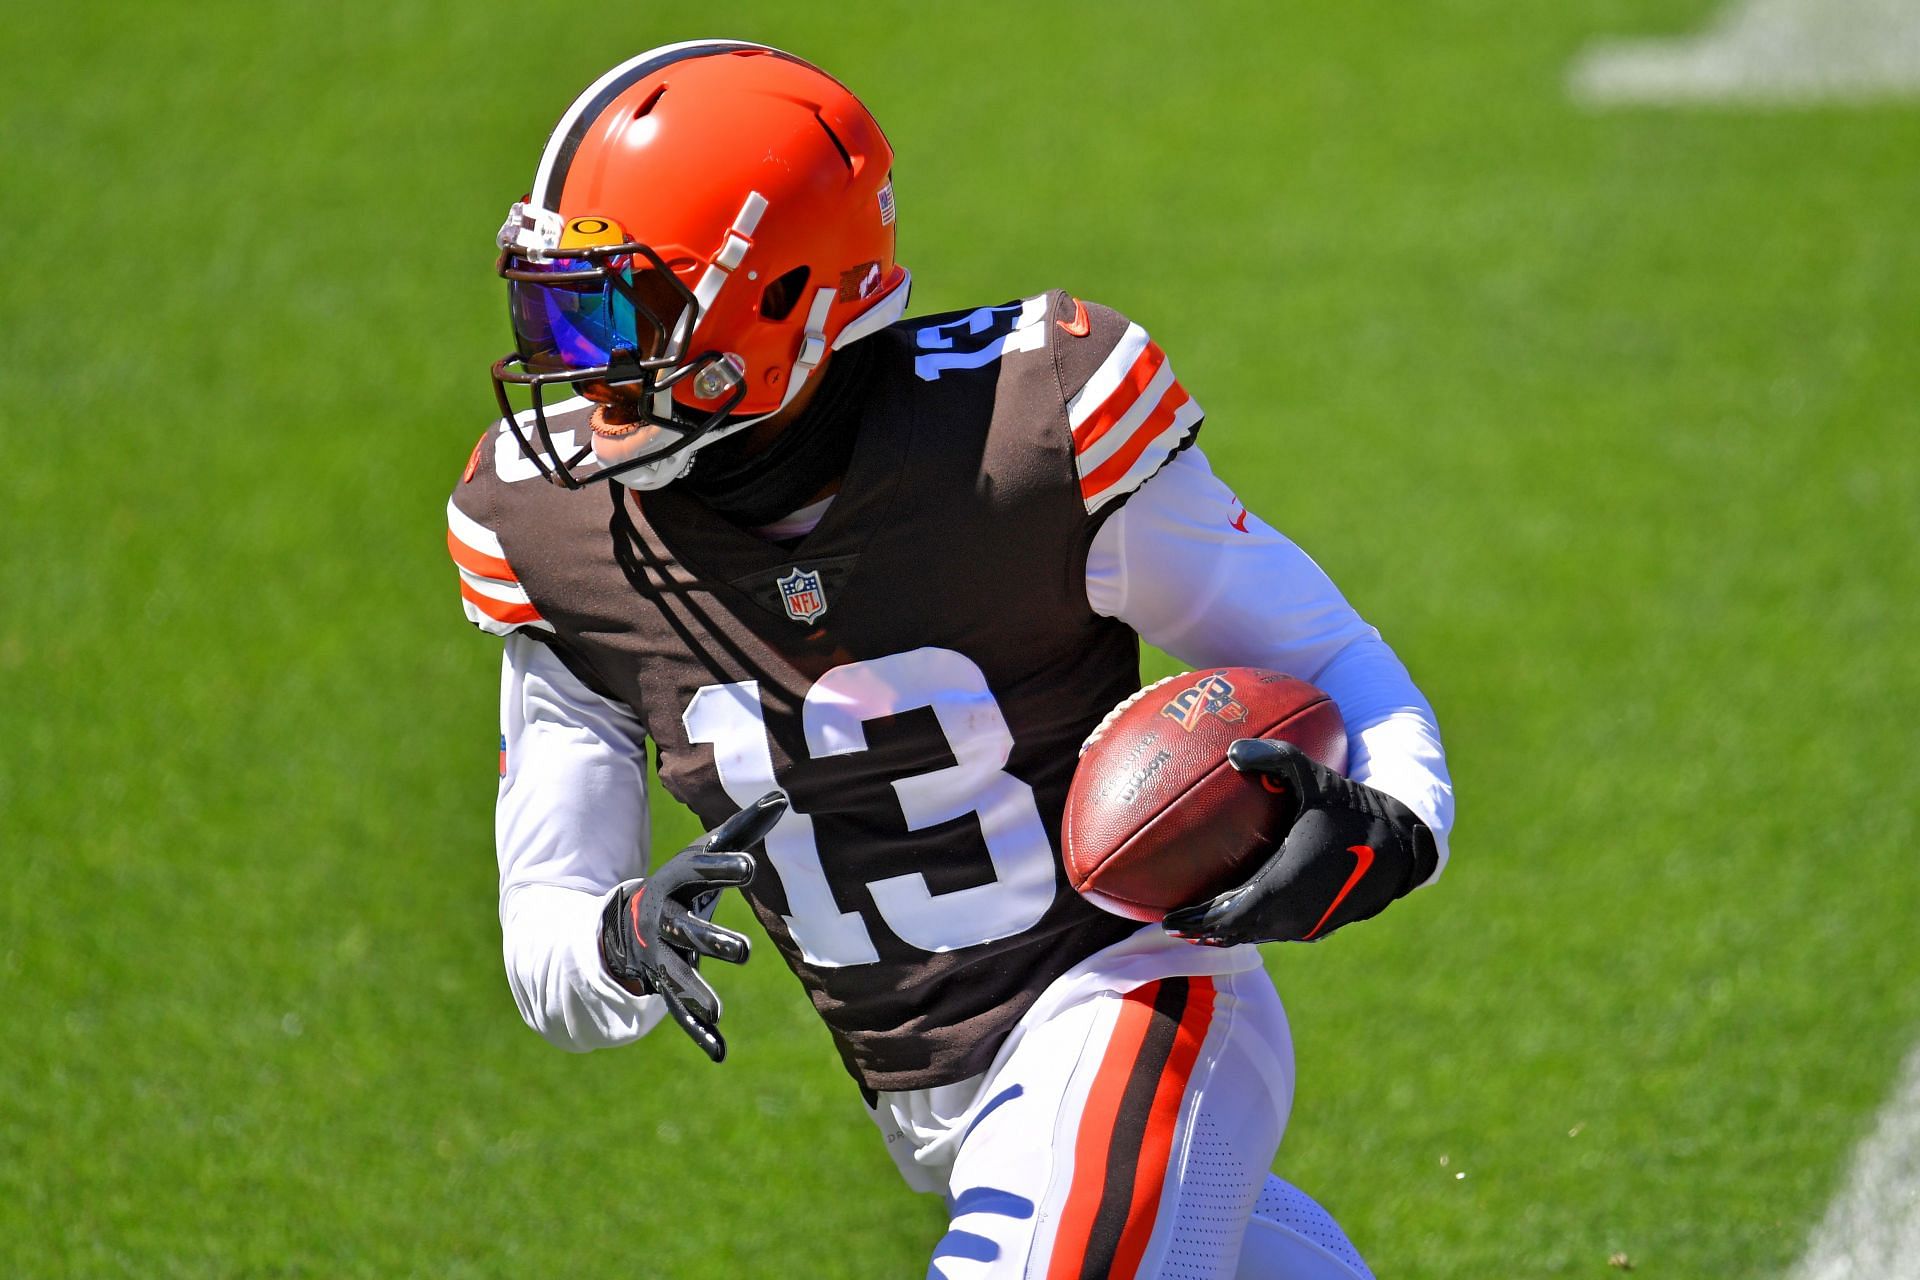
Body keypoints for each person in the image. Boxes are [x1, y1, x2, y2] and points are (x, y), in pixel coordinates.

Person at [447, 40, 1453, 1280]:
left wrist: (1395, 820)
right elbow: (545, 924)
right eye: (550, 308)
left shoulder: (1019, 437)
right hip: (932, 1092)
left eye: (614, 311)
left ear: (778, 298)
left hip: (1134, 994)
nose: (574, 363)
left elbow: (1326, 651)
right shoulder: (547, 532)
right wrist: (619, 935)